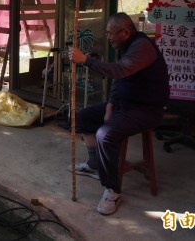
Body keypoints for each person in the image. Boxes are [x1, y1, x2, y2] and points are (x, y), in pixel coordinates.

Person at [68, 12, 169, 216]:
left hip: (146, 109)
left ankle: (112, 190)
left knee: (105, 135)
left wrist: (85, 60)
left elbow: (119, 71)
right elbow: (118, 81)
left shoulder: (142, 47)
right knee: (84, 116)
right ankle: (95, 163)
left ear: (124, 32)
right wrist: (110, 105)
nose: (108, 37)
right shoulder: (122, 46)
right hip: (124, 104)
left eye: (110, 33)